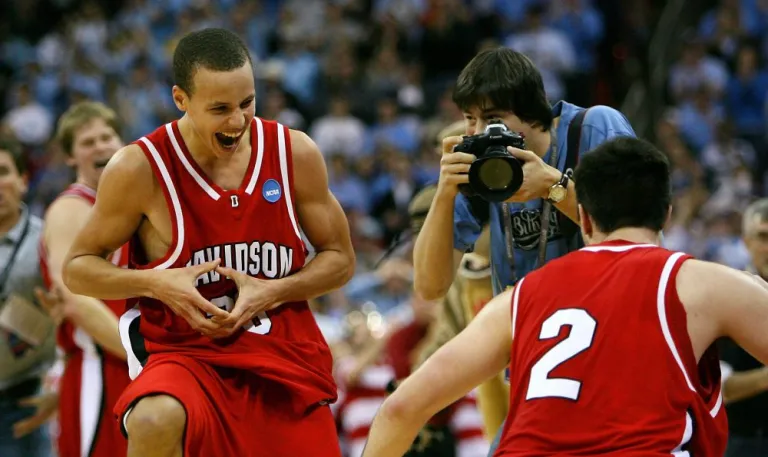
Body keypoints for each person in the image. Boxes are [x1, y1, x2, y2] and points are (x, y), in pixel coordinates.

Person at [359, 136, 768, 456]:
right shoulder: (701, 283)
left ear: (584, 218)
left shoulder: (519, 298)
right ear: (667, 214)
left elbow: (400, 408)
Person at [62, 28, 355, 457]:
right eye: (220, 108)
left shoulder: (294, 153)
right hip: (186, 354)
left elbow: (341, 259)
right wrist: (156, 283)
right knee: (153, 419)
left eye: (247, 103)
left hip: (281, 351)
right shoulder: (139, 168)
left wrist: (273, 290)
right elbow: (77, 269)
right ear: (181, 99)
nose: (237, 121)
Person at [413, 47, 637, 452]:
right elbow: (430, 286)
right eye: (470, 118)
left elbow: (635, 239)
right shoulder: (481, 166)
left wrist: (554, 188)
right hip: (537, 373)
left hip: (613, 362)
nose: (480, 131)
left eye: (493, 118)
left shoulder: (593, 128)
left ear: (533, 111)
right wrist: (444, 193)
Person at [38, 101, 131, 457]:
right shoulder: (71, 209)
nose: (101, 146)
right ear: (70, 157)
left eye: (107, 136)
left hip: (137, 362)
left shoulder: (132, 203)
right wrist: (139, 354)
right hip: (101, 363)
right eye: (88, 142)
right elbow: (74, 298)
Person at [0, 134, 56, 457]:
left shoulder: (47, 241)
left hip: (25, 402)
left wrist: (61, 385)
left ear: (23, 180)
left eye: (3, 172)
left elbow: (74, 316)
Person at [717, 198, 768, 456]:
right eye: (763, 237)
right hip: (742, 440)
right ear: (746, 242)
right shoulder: (727, 296)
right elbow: (721, 387)